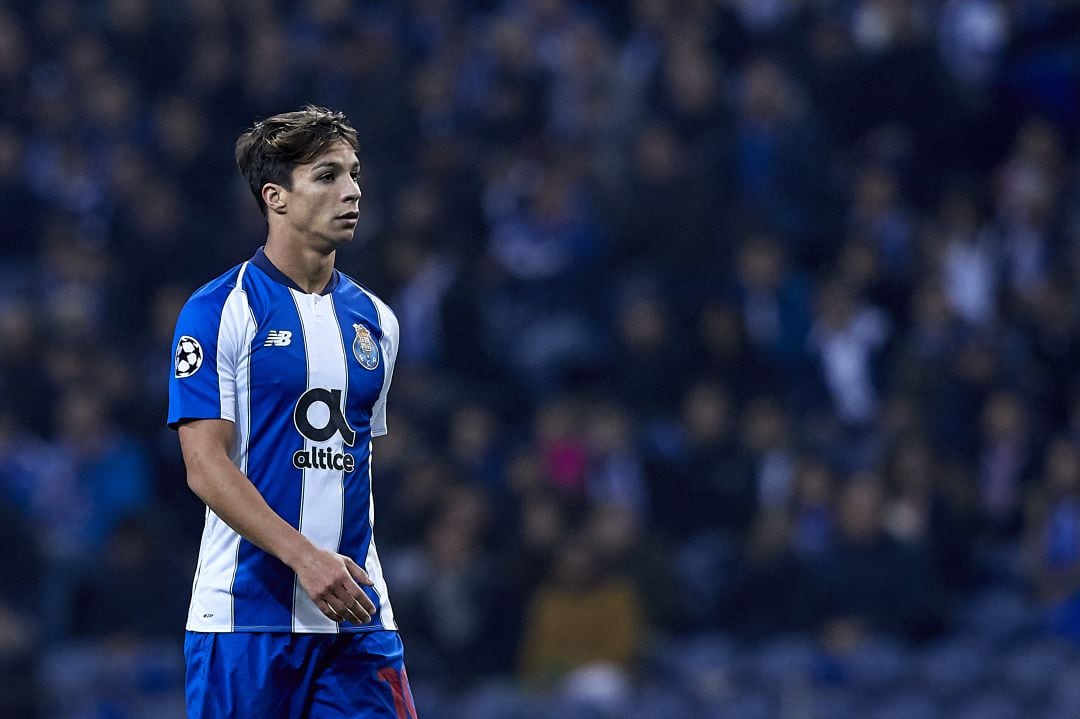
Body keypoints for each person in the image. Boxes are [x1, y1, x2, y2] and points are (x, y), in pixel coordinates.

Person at [167, 106, 417, 718]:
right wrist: (305, 557)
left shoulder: (376, 322)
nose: (352, 190)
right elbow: (205, 467)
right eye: (327, 176)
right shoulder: (217, 311)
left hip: (357, 621)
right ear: (275, 197)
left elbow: (349, 462)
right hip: (244, 621)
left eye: (354, 174)